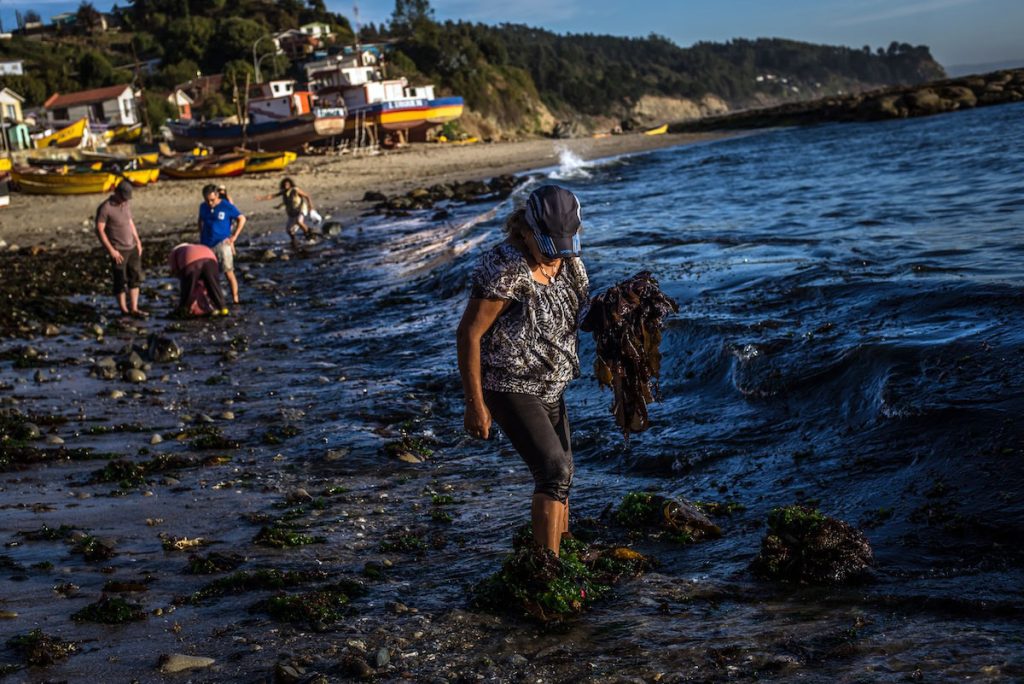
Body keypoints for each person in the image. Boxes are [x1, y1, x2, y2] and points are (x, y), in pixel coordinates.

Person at [456, 185, 588, 557]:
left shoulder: (570, 262)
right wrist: (475, 404)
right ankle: (547, 568)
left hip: (551, 386)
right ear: (526, 231)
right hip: (509, 383)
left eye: (564, 243)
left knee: (564, 475)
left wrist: (615, 310)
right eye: (548, 244)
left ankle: (562, 552)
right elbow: (469, 333)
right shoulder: (506, 266)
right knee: (553, 472)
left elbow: (578, 314)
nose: (556, 254)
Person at [95, 181, 146, 317]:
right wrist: (111, 250)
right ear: (116, 193)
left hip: (132, 246)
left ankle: (134, 308)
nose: (125, 200)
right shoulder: (105, 208)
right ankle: (124, 310)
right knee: (120, 279)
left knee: (134, 277)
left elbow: (130, 222)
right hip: (118, 249)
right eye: (123, 197)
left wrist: (138, 240)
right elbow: (100, 230)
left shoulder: (126, 204)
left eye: (127, 198)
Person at [197, 183, 246, 304]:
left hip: (222, 242)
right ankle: (211, 299)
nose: (210, 203)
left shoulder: (226, 206)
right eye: (207, 200)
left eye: (212, 200)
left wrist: (234, 237)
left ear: (217, 195)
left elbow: (242, 219)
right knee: (207, 274)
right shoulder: (203, 207)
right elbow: (200, 220)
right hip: (207, 244)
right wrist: (201, 235)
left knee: (228, 271)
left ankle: (235, 298)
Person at [168, 243, 228, 317]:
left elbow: (175, 271)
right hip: (210, 258)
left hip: (190, 259)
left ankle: (183, 309)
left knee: (188, 289)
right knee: (214, 286)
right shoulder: (194, 246)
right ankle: (223, 308)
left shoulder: (174, 253)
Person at [257, 177, 315, 241]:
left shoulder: (295, 190)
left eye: (287, 184)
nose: (286, 186)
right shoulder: (284, 192)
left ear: (290, 184)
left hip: (300, 209)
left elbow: (307, 196)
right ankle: (293, 241)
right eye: (284, 185)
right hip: (292, 212)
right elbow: (273, 196)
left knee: (299, 221)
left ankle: (309, 233)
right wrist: (261, 198)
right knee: (289, 230)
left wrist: (310, 205)